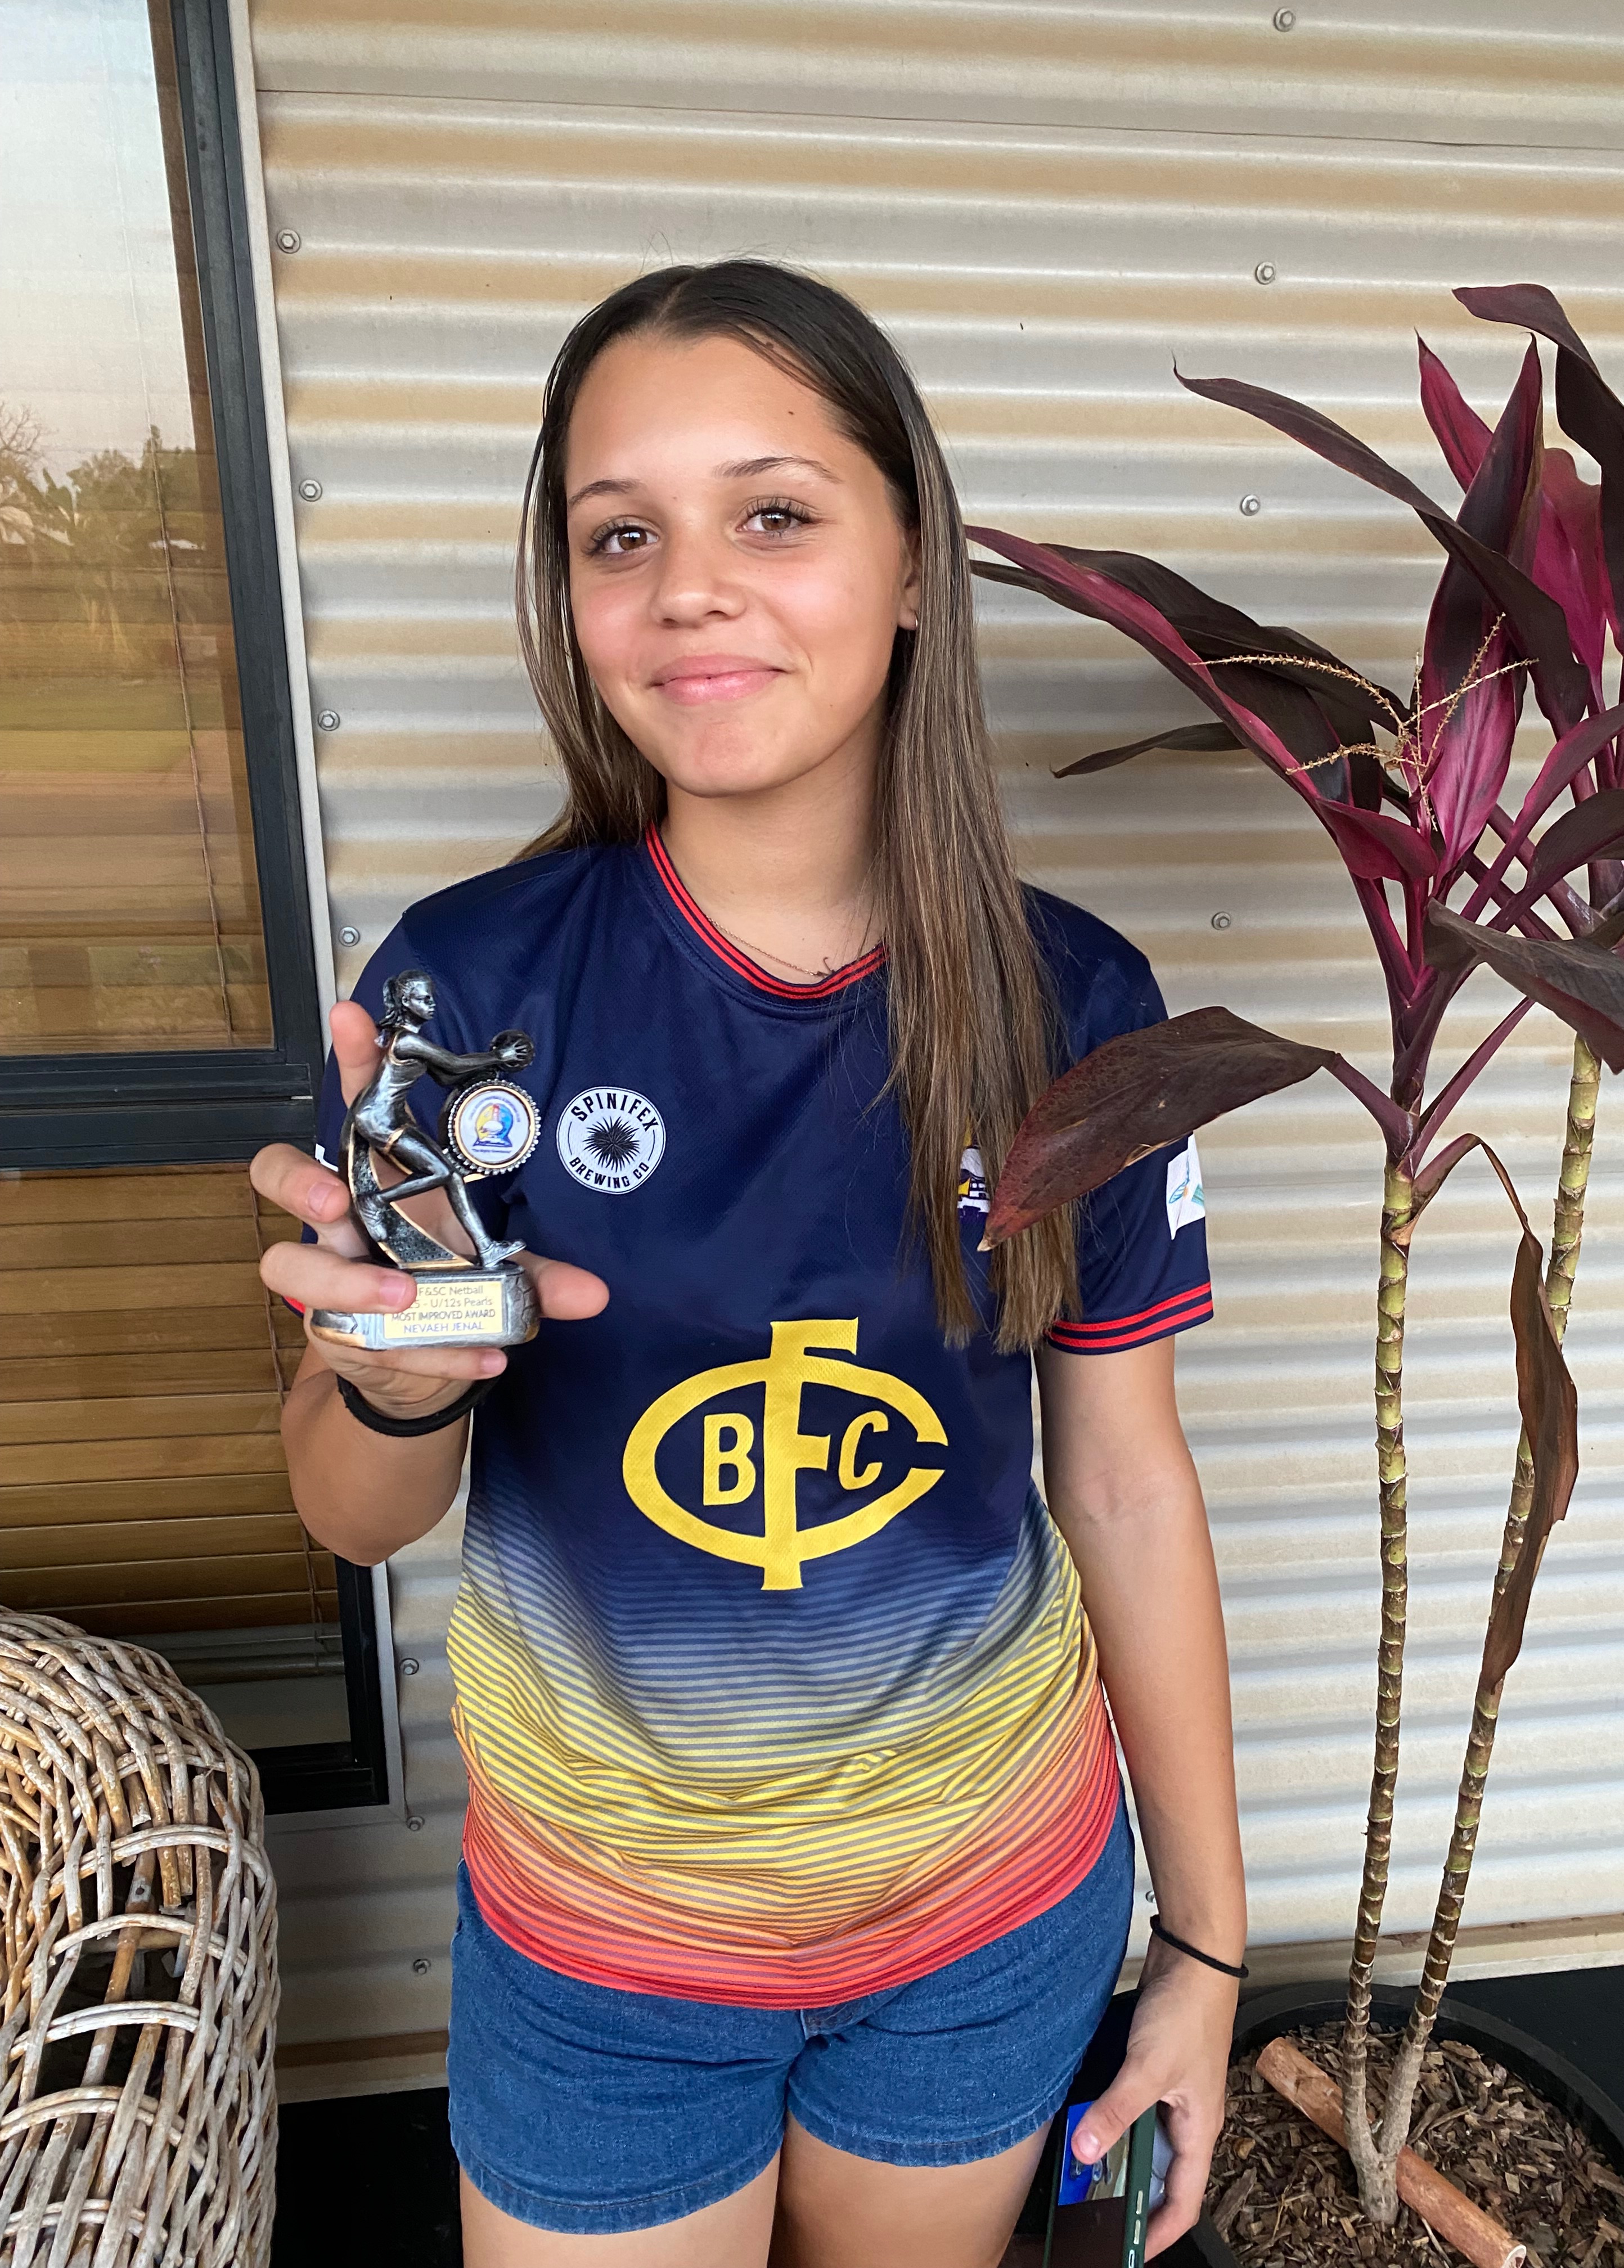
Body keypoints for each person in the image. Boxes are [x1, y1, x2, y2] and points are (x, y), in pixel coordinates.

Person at [253, 260, 1245, 2268]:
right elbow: (354, 1518)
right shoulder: (471, 998)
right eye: (620, 536)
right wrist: (395, 1380)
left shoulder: (1080, 1013)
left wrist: (1210, 1949)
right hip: (602, 1956)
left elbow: (1127, 1483)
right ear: (572, 600)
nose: (690, 588)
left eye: (773, 514)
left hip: (989, 1918)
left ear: (913, 565)